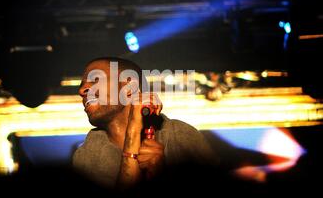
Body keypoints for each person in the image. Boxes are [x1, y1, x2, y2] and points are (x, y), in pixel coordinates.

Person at [72, 57, 218, 189]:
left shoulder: (179, 135)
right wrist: (134, 131)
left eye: (95, 79)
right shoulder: (86, 157)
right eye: (82, 84)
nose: (81, 90)